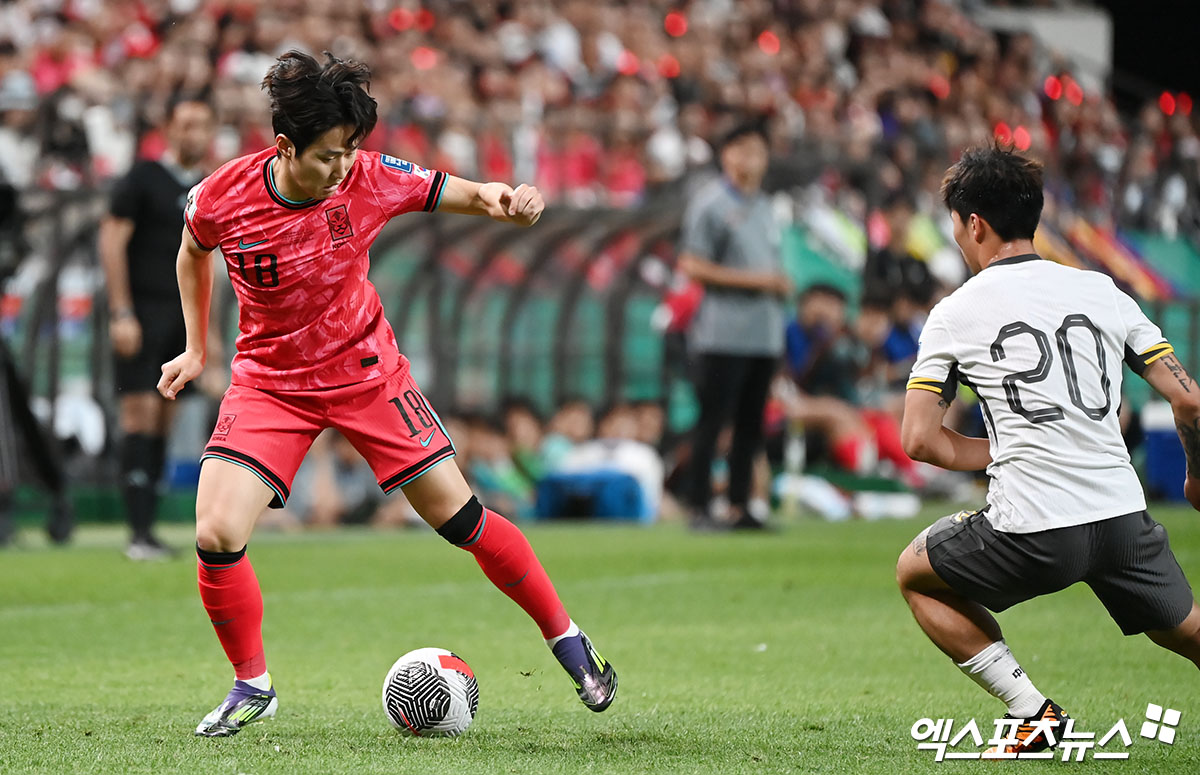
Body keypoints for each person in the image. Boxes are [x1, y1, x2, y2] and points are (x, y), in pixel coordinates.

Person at [158, 51, 616, 738]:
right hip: (270, 382)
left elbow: (464, 192)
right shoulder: (221, 197)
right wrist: (198, 347)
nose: (343, 168)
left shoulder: (369, 178)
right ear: (284, 147)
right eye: (328, 156)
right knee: (215, 532)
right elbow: (194, 249)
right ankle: (252, 683)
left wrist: (507, 201)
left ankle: (570, 640)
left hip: (367, 371)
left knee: (460, 519)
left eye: (350, 152)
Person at [896, 145, 1200, 756]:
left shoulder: (955, 313)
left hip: (1035, 527)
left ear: (973, 223)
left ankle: (1032, 714)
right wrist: (1197, 476)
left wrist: (1006, 450)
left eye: (954, 223)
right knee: (1190, 632)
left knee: (916, 575)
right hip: (1121, 514)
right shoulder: (1104, 290)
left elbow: (919, 440)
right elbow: (1189, 401)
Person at [98, 97, 215, 560]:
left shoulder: (208, 187)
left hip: (181, 320)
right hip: (142, 315)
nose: (194, 133)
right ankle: (136, 532)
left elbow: (213, 264)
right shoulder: (143, 178)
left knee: (165, 420)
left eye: (202, 125)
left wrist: (209, 336)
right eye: (186, 124)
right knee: (138, 417)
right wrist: (121, 311)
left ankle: (146, 532)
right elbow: (112, 241)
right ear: (170, 128)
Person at [678, 120, 791, 531]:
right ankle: (699, 505)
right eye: (742, 149)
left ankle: (741, 505)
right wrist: (759, 281)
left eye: (758, 151)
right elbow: (691, 264)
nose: (751, 159)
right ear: (726, 155)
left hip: (763, 335)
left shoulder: (766, 205)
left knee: (750, 425)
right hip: (722, 334)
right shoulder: (710, 204)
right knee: (712, 422)